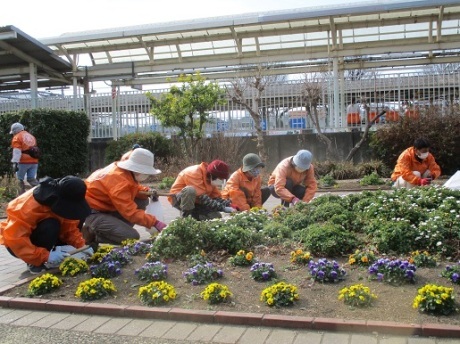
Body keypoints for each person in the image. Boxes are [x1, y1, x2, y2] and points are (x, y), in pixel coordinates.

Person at [0, 176, 93, 274]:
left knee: (76, 215)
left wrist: (81, 245)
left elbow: (69, 227)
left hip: (44, 235)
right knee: (51, 225)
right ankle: (34, 262)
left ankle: (54, 253)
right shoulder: (27, 206)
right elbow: (16, 239)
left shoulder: (62, 199)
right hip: (17, 245)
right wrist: (45, 256)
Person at [83, 148, 167, 245]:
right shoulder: (119, 182)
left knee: (141, 200)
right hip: (92, 213)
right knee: (131, 237)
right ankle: (92, 234)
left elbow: (132, 187)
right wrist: (155, 223)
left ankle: (117, 229)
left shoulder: (123, 171)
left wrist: (147, 192)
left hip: (104, 207)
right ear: (139, 171)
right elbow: (130, 212)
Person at [168, 159, 235, 220]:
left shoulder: (210, 179)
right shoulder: (194, 172)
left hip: (196, 201)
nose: (221, 181)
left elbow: (215, 198)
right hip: (178, 198)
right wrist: (223, 208)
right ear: (214, 175)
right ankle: (186, 220)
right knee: (190, 191)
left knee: (215, 216)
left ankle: (194, 217)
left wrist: (230, 204)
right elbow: (203, 198)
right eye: (220, 179)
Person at [9, 122, 39, 194]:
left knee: (19, 180)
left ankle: (21, 196)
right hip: (34, 161)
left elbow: (17, 151)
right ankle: (41, 192)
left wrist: (15, 162)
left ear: (15, 131)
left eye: (13, 132)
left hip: (23, 162)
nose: (13, 134)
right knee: (31, 179)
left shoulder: (17, 137)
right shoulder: (31, 136)